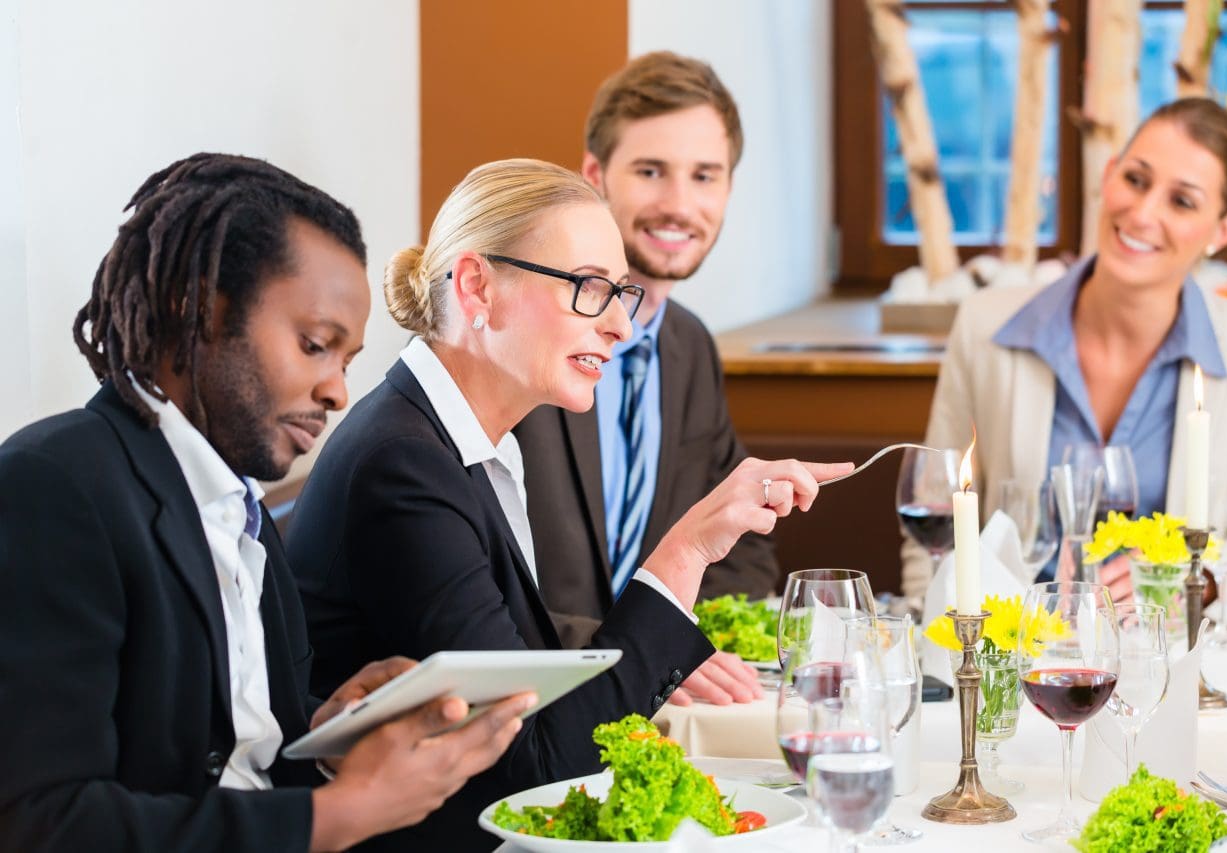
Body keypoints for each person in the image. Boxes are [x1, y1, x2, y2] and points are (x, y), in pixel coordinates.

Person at [286, 158, 850, 851]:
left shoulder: (470, 444)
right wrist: (686, 550)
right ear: (477, 287)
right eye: (588, 287)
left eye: (621, 292)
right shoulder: (403, 463)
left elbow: (524, 690)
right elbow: (535, 773)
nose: (618, 323)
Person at [0, 153, 532, 853]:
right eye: (315, 346)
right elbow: (43, 822)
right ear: (198, 311)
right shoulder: (56, 486)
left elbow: (232, 747)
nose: (339, 391)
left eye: (346, 361)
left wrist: (329, 730)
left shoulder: (236, 505)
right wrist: (343, 811)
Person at [904, 97, 1227, 602]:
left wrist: (1199, 582)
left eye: (1182, 201)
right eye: (1136, 180)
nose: (1143, 213)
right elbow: (935, 524)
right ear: (1108, 176)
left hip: (1178, 661)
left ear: (1224, 230)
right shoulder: (985, 325)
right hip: (1015, 662)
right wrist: (938, 663)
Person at [512, 53, 778, 706]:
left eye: (705, 176)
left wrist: (676, 648)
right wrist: (644, 648)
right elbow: (472, 579)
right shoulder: (521, 331)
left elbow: (742, 554)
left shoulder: (689, 345)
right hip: (528, 713)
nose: (679, 205)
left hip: (650, 710)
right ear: (596, 175)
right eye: (651, 171)